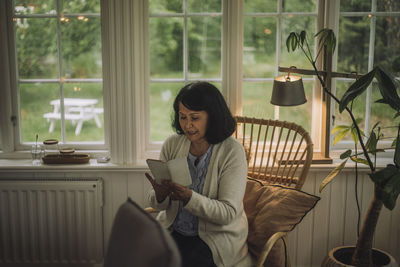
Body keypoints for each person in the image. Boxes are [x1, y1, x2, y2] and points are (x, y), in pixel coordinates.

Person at [146, 82, 253, 267]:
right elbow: (158, 205)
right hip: (172, 232)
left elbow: (228, 213)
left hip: (214, 240)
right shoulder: (172, 144)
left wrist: (189, 198)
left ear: (212, 117)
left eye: (195, 118)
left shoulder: (232, 151)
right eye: (182, 117)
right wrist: (160, 195)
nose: (187, 125)